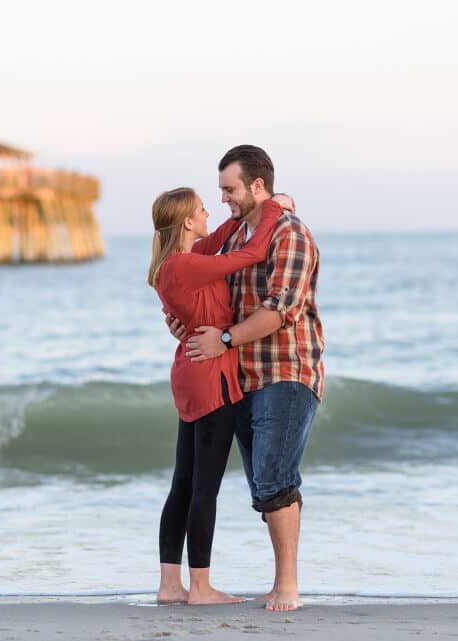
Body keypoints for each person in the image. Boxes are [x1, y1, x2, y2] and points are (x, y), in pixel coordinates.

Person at [173, 145, 325, 612]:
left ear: (258, 186)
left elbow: (280, 310)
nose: (224, 199)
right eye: (220, 190)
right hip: (240, 376)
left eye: (230, 189)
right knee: (262, 483)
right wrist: (184, 322)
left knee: (274, 478)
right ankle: (279, 580)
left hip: (286, 370)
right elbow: (206, 290)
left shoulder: (291, 234)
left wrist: (222, 337)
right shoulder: (237, 235)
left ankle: (288, 586)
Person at [149, 187, 289, 605]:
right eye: (202, 209)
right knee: (202, 488)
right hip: (210, 376)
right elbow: (249, 253)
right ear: (188, 221)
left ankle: (171, 585)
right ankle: (202, 588)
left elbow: (228, 233)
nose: (211, 211)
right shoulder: (186, 265)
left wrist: (257, 207)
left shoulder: (180, 261)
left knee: (183, 484)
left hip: (193, 371)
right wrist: (275, 209)